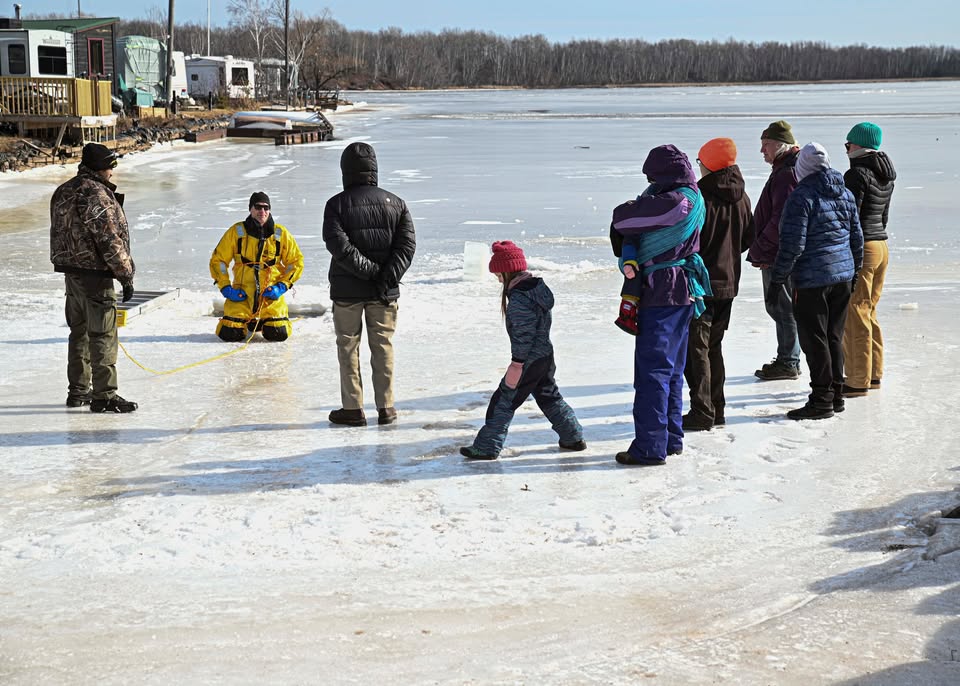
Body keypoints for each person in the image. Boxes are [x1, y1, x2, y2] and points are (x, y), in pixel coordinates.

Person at [610, 144, 709, 466]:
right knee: (673, 369)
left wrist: (634, 206)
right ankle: (671, 438)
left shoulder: (676, 200)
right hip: (683, 291)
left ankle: (650, 447)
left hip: (664, 290)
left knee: (653, 371)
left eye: (653, 175)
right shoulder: (694, 196)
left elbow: (622, 219)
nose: (650, 180)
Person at [460, 241, 585, 460]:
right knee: (549, 396)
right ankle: (573, 437)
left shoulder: (519, 300)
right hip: (545, 356)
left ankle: (487, 447)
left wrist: (517, 364)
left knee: (503, 400)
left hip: (528, 361)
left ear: (507, 271)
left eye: (498, 274)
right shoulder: (536, 290)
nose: (497, 278)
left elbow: (523, 336)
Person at [323, 142, 417, 427]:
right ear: (374, 169)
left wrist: (370, 272)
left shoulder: (335, 205)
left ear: (345, 171)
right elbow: (407, 247)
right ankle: (386, 407)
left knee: (348, 347)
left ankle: (352, 408)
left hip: (348, 290)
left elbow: (338, 246)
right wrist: (384, 276)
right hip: (383, 292)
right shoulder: (396, 203)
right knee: (383, 346)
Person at [770, 143, 863, 420]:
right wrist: (855, 270)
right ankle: (835, 396)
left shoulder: (802, 197)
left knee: (815, 341)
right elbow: (856, 237)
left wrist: (778, 278)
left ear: (803, 169)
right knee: (833, 337)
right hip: (842, 276)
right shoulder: (844, 193)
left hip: (813, 279)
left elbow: (792, 244)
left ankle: (822, 400)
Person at [50, 142, 138, 413]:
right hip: (95, 276)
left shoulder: (64, 190)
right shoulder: (96, 194)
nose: (113, 172)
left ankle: (78, 391)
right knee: (102, 334)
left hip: (71, 273)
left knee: (79, 332)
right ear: (103, 167)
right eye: (111, 166)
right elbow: (109, 240)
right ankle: (105, 395)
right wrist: (126, 274)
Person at [682, 138, 755, 432]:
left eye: (701, 162)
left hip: (702, 286)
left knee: (697, 349)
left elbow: (689, 243)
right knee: (713, 347)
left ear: (708, 164)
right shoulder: (742, 196)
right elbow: (748, 238)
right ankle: (716, 408)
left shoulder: (700, 199)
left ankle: (703, 411)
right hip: (729, 283)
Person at [841, 122, 896, 397]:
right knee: (870, 310)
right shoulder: (886, 174)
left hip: (864, 246)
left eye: (847, 144)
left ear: (858, 146)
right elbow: (882, 215)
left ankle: (857, 379)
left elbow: (851, 218)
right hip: (881, 244)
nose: (846, 149)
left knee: (856, 311)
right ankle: (874, 374)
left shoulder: (857, 175)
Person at [747, 120, 802, 381]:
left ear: (780, 145)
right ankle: (788, 358)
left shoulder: (786, 174)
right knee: (780, 306)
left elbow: (782, 219)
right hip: (778, 252)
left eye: (766, 145)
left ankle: (788, 361)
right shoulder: (785, 169)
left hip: (779, 254)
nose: (762, 152)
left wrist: (760, 247)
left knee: (783, 307)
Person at [209, 192, 304, 342]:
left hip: (269, 297)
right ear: (251, 209)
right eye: (258, 207)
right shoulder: (237, 232)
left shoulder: (280, 234)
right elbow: (218, 260)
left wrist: (282, 286)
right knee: (229, 333)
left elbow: (296, 262)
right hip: (242, 296)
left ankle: (263, 321)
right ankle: (249, 321)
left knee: (278, 333)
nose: (262, 211)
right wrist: (225, 287)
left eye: (266, 208)